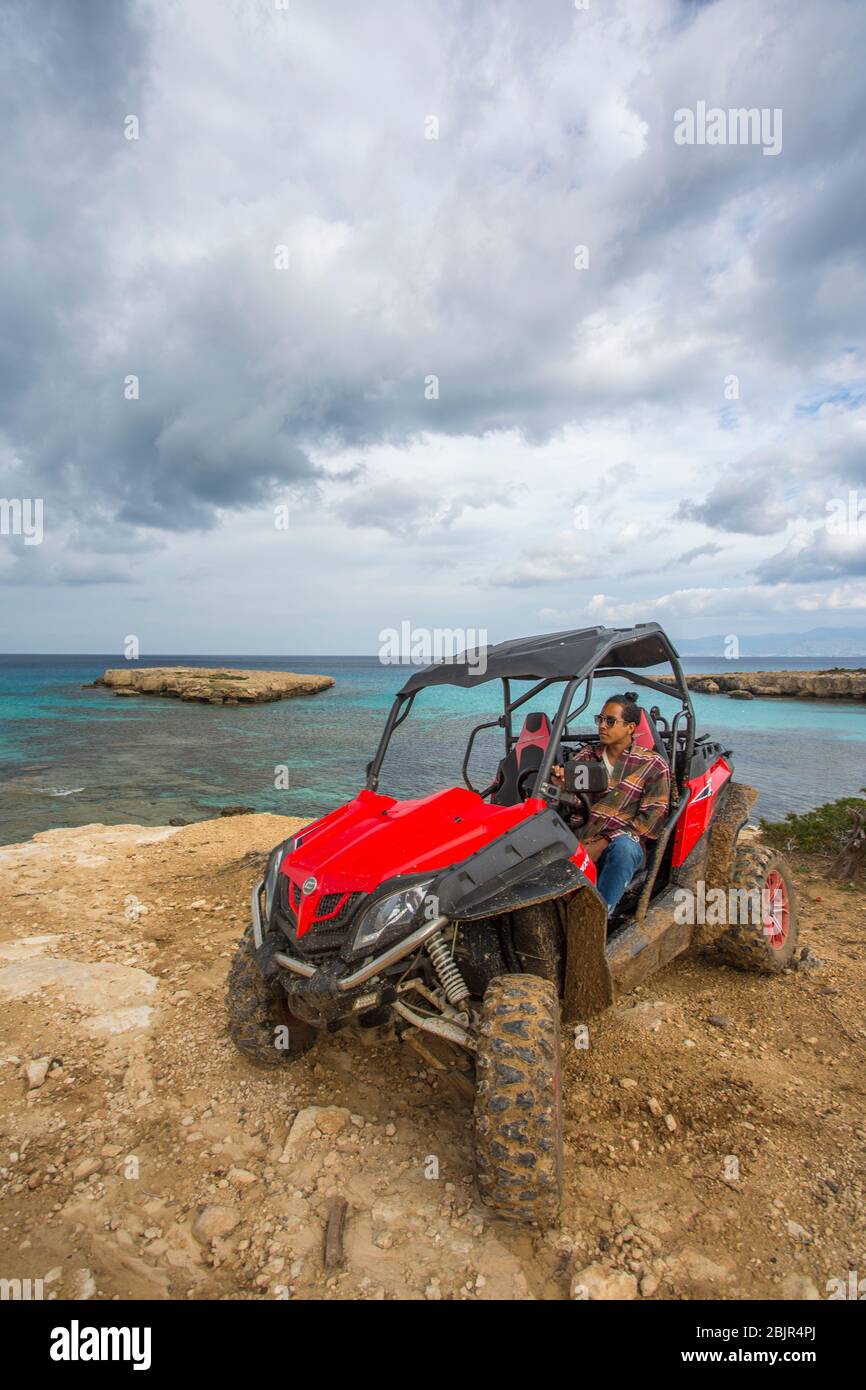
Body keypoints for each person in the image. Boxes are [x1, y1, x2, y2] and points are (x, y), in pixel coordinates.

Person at [554, 693, 670, 914]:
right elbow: (575, 803)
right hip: (582, 830)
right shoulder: (587, 756)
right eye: (600, 719)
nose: (602, 726)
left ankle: (598, 917)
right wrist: (561, 785)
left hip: (623, 840)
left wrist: (604, 842)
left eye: (610, 721)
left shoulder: (653, 765)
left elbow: (651, 823)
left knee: (624, 849)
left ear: (630, 727)